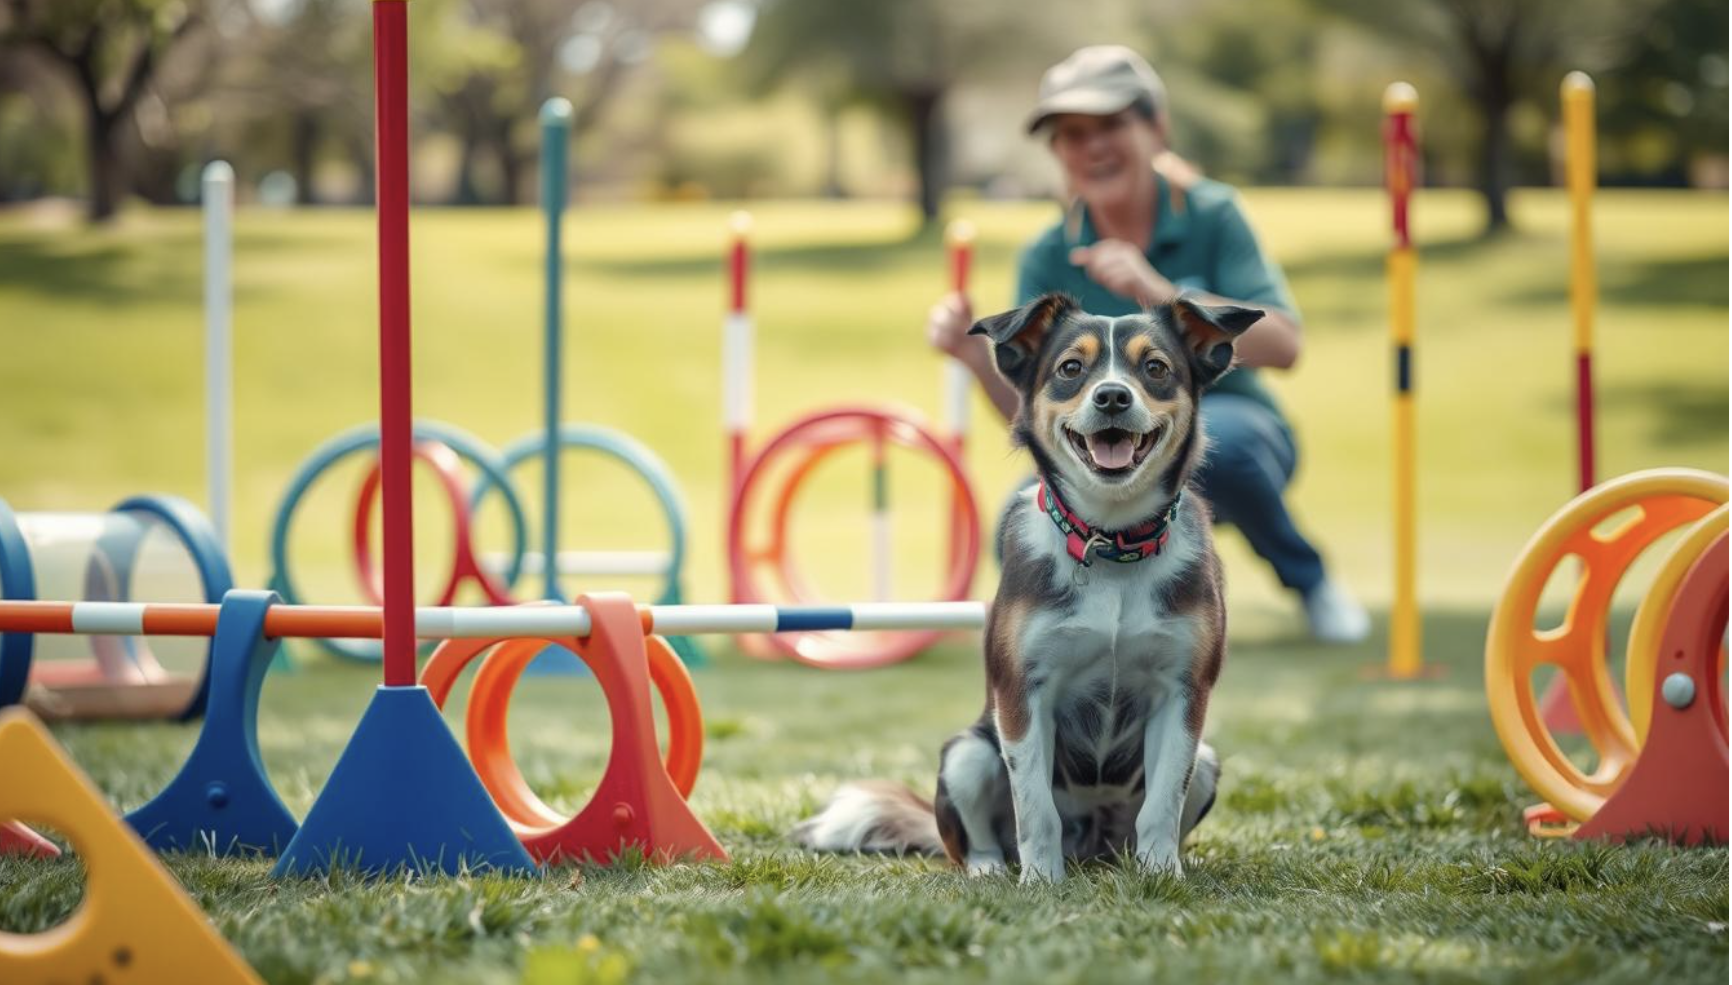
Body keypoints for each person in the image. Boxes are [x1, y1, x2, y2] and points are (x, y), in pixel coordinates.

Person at [927, 45, 1369, 644]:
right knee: (1018, 517)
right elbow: (1038, 415)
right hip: (1102, 449)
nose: (1092, 147)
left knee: (1224, 445)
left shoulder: (1213, 213)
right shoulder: (1046, 254)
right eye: (1071, 134)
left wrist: (1158, 292)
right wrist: (976, 357)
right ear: (1057, 152)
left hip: (1234, 431)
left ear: (1156, 126)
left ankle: (1311, 583)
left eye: (1111, 125)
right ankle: (1088, 634)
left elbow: (1286, 344)